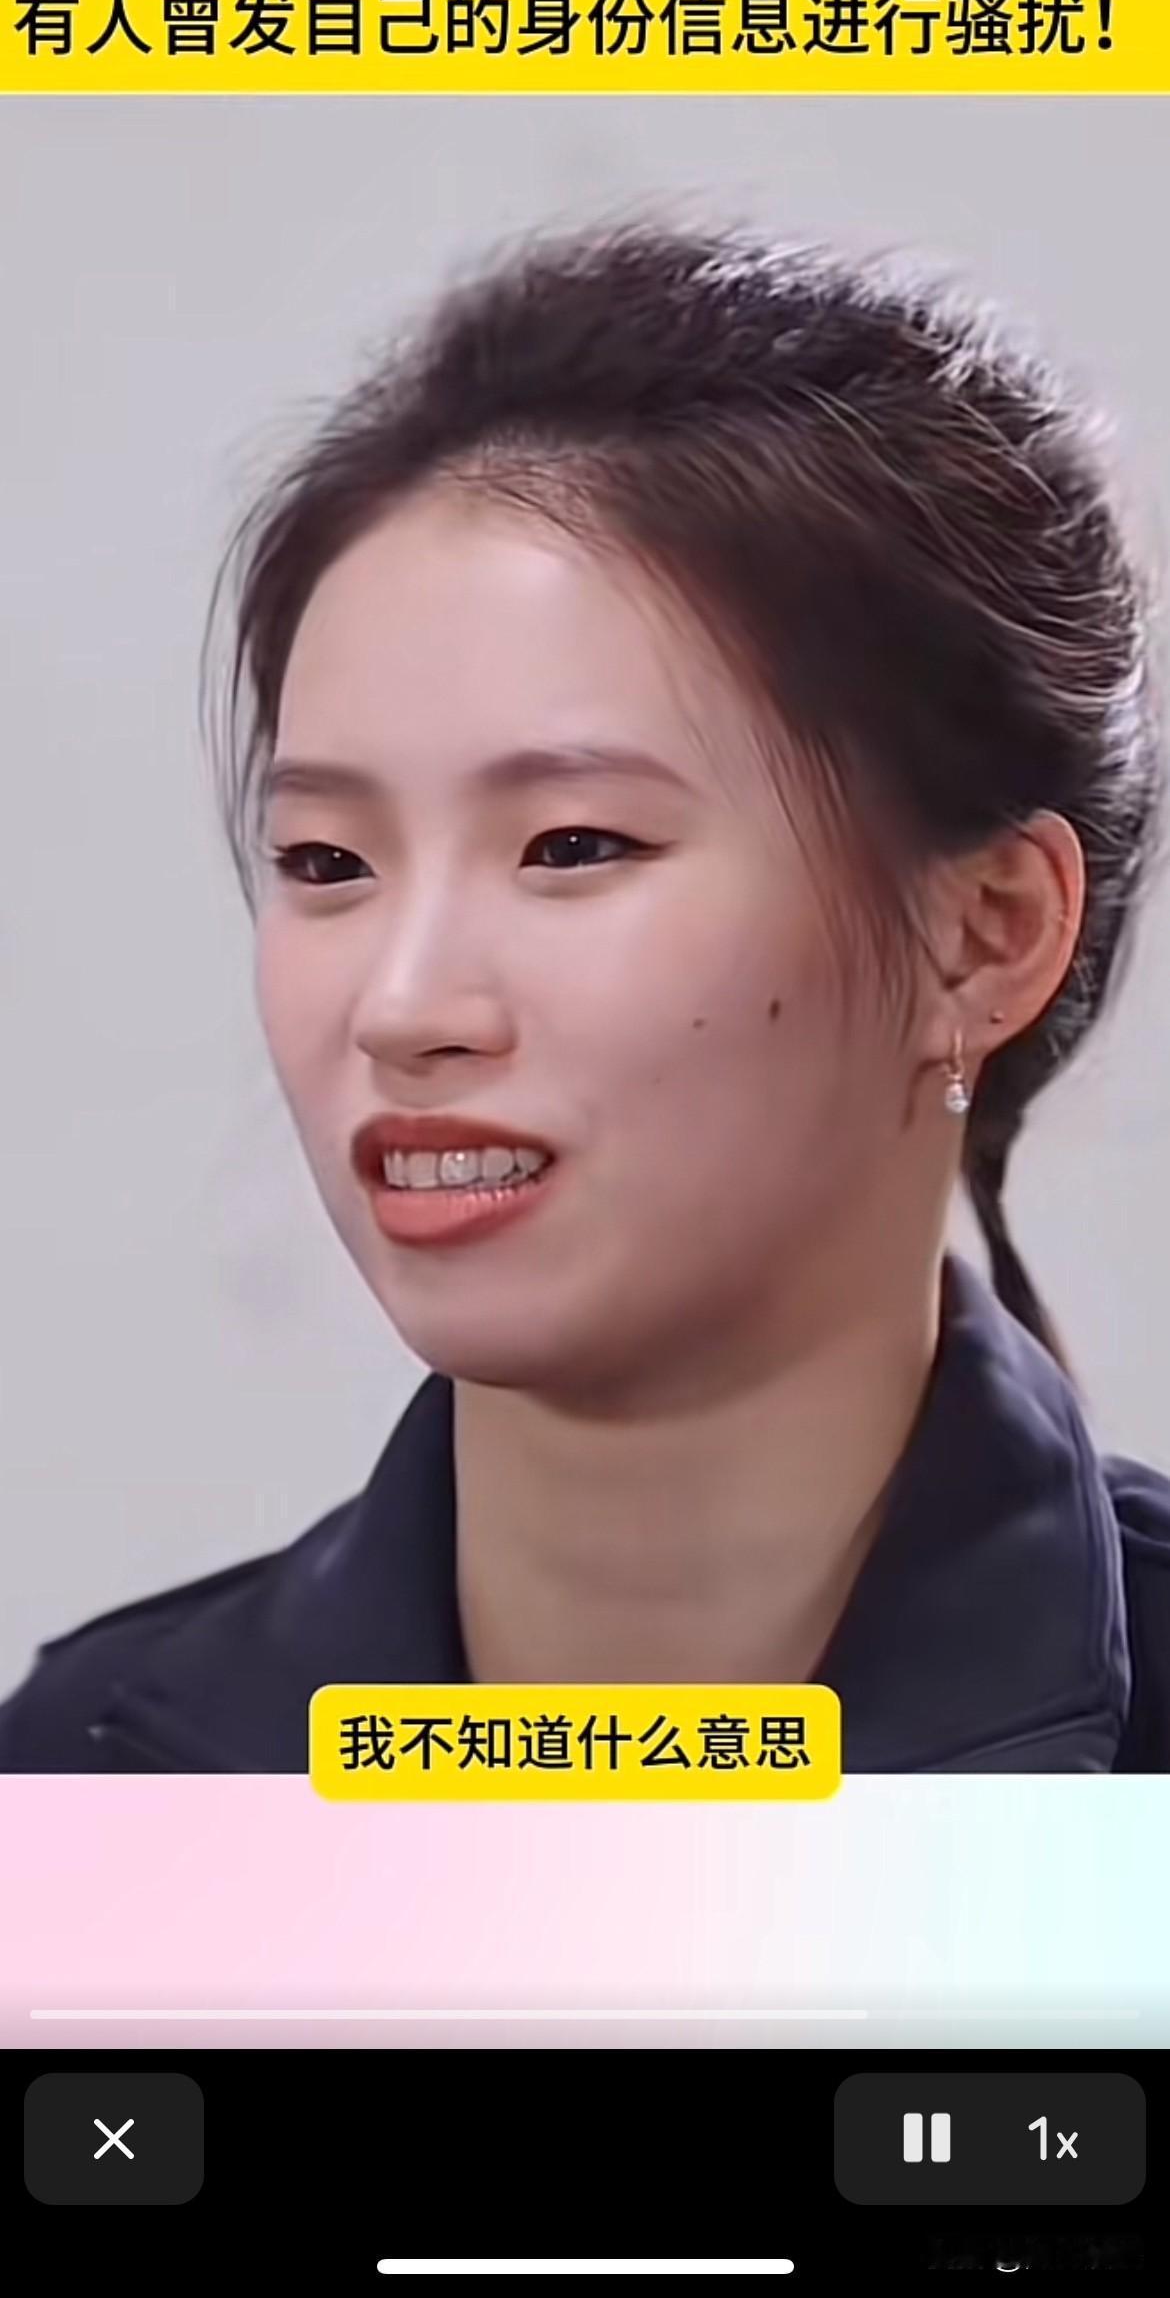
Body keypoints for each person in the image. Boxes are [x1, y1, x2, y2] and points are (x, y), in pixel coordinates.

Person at [2, 219, 1168, 1774]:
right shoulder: (93, 1786)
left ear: (983, 936)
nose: (402, 1006)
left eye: (570, 846)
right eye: (328, 862)